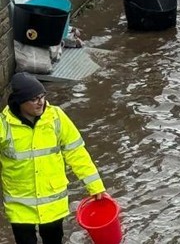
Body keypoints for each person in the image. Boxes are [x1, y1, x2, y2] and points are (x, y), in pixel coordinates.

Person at [0, 73, 108, 244]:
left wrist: (96, 187)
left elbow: (77, 153)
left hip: (52, 203)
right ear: (20, 101)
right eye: (34, 99)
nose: (40, 102)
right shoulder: (3, 125)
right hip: (20, 205)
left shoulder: (56, 117)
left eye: (42, 96)